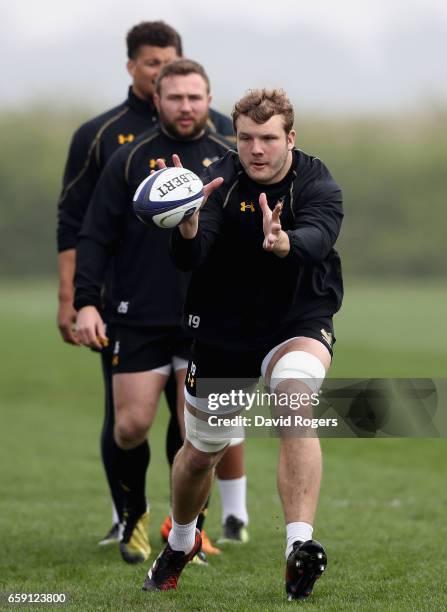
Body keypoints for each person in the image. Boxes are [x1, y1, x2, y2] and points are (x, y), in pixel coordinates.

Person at [142, 89, 343, 600]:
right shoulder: (217, 180)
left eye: (269, 138)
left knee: (294, 400)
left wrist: (284, 242)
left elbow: (319, 236)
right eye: (247, 138)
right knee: (200, 454)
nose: (256, 149)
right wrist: (187, 226)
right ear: (237, 138)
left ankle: (299, 547)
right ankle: (182, 541)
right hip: (224, 331)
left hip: (297, 319)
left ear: (290, 138)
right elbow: (193, 254)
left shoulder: (317, 181)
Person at [56, 21, 247, 552]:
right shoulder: (127, 156)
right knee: (129, 426)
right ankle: (132, 517)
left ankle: (186, 532)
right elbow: (92, 233)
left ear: (209, 99)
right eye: (174, 96)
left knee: (197, 433)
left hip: (207, 315)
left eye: (194, 97)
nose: (185, 106)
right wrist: (85, 302)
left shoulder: (231, 156)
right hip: (135, 310)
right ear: (156, 98)